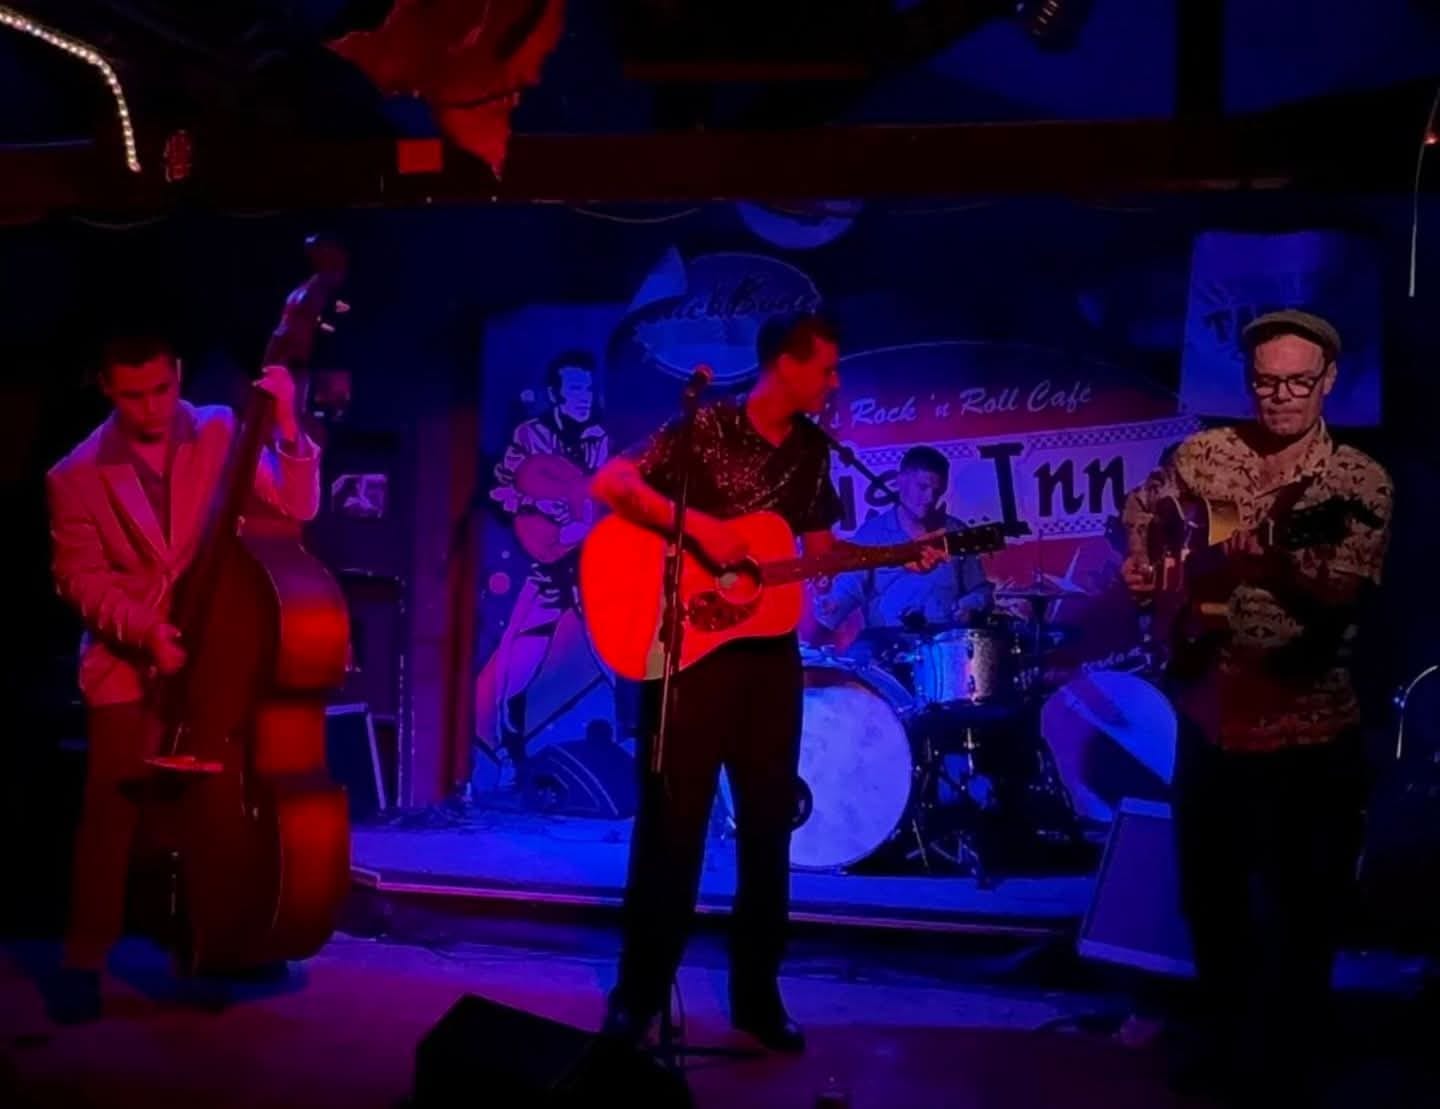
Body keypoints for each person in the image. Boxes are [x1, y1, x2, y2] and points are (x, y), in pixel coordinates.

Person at [589, 313, 943, 1053]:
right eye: (826, 368)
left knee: (768, 826)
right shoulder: (706, 426)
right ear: (785, 363)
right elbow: (612, 480)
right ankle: (638, 994)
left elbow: (816, 555)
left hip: (767, 656)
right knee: (671, 828)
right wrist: (701, 530)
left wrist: (898, 554)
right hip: (688, 650)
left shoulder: (814, 452)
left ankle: (757, 997)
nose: (834, 383)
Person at [1120, 309, 1392, 1104]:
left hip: (1308, 726)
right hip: (1211, 718)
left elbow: (1341, 592)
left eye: (1298, 384)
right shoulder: (1207, 456)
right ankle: (1223, 1053)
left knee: (1303, 914)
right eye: (1267, 383)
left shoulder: (1355, 484)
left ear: (1329, 381)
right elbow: (1144, 509)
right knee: (1211, 905)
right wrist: (1144, 564)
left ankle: (1289, 1069)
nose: (1281, 397)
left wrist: (1271, 560)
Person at [44, 335, 321, 1022]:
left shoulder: (220, 429)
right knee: (112, 811)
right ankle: (84, 959)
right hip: (127, 656)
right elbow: (79, 579)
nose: (151, 408)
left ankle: (223, 940)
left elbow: (297, 505)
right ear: (107, 389)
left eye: (162, 390)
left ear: (178, 376)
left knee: (217, 798)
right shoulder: (74, 474)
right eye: (133, 395)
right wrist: (148, 631)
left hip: (215, 645)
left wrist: (288, 427)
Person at [476, 351, 610, 785]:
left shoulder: (599, 438)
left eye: (588, 388)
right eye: (575, 389)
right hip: (548, 564)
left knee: (614, 654)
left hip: (588, 565)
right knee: (515, 659)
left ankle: (645, 753)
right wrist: (537, 505)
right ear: (554, 394)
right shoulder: (530, 436)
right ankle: (507, 760)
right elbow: (499, 491)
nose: (584, 397)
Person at [813, 444, 993, 636]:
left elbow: (981, 591)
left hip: (945, 644)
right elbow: (848, 590)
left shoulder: (956, 532)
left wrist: (970, 605)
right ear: (900, 481)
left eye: (937, 491)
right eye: (922, 487)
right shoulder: (872, 534)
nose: (930, 498)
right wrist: (829, 606)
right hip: (888, 644)